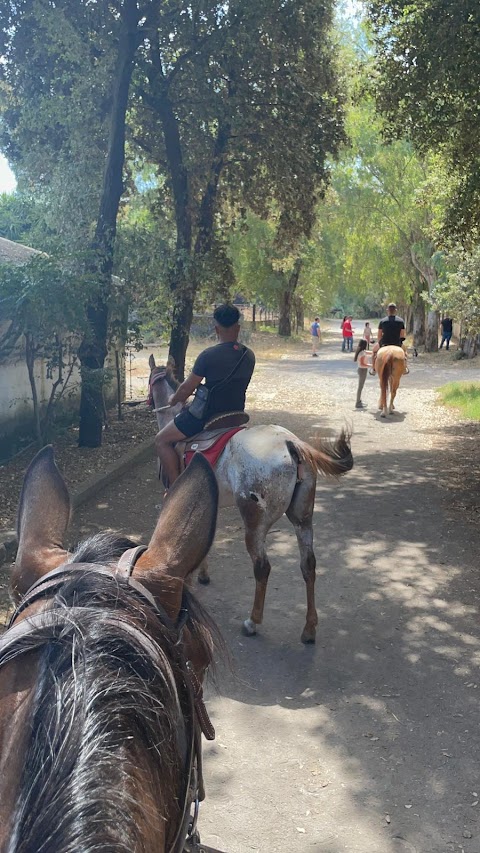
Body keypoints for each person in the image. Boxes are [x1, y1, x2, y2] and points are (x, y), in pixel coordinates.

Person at [155, 304, 255, 487]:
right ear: (238, 328)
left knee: (161, 439)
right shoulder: (249, 355)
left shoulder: (208, 356)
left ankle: (177, 490)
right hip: (235, 413)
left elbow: (186, 388)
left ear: (216, 329)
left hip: (206, 416)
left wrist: (174, 399)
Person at [371, 302, 406, 373]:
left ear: (388, 310)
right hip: (397, 343)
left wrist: (380, 342)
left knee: (374, 352)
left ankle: (373, 368)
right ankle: (405, 368)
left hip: (384, 342)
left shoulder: (382, 321)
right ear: (395, 310)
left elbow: (379, 335)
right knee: (405, 353)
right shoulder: (401, 321)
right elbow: (402, 335)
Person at [354, 339, 372, 408]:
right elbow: (363, 364)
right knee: (360, 387)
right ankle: (358, 402)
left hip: (362, 370)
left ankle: (359, 401)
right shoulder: (362, 353)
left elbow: (370, 352)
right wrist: (372, 365)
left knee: (361, 386)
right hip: (362, 370)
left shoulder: (362, 351)